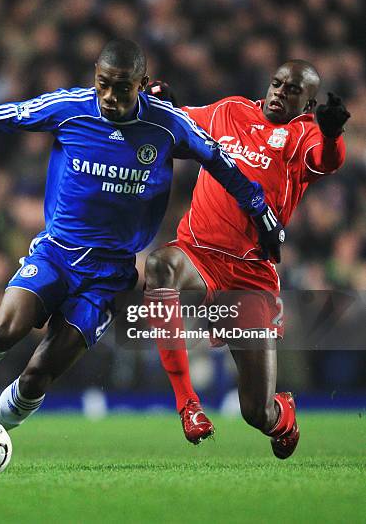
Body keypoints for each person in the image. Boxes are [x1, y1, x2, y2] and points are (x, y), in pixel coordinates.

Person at [0, 39, 284, 435]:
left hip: (110, 275)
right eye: (103, 84)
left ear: (142, 84)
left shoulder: (166, 125)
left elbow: (222, 162)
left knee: (37, 377)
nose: (110, 96)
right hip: (56, 253)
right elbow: (4, 116)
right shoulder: (69, 109)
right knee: (6, 329)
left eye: (121, 87)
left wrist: (261, 210)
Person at [145, 61, 349, 458]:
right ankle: (188, 404)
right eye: (276, 84)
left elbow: (327, 160)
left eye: (292, 91)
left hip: (249, 276)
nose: (278, 93)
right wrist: (163, 102)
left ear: (307, 105)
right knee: (159, 266)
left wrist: (332, 132)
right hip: (199, 253)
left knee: (256, 411)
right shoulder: (229, 111)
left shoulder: (301, 134)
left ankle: (281, 416)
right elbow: (181, 121)